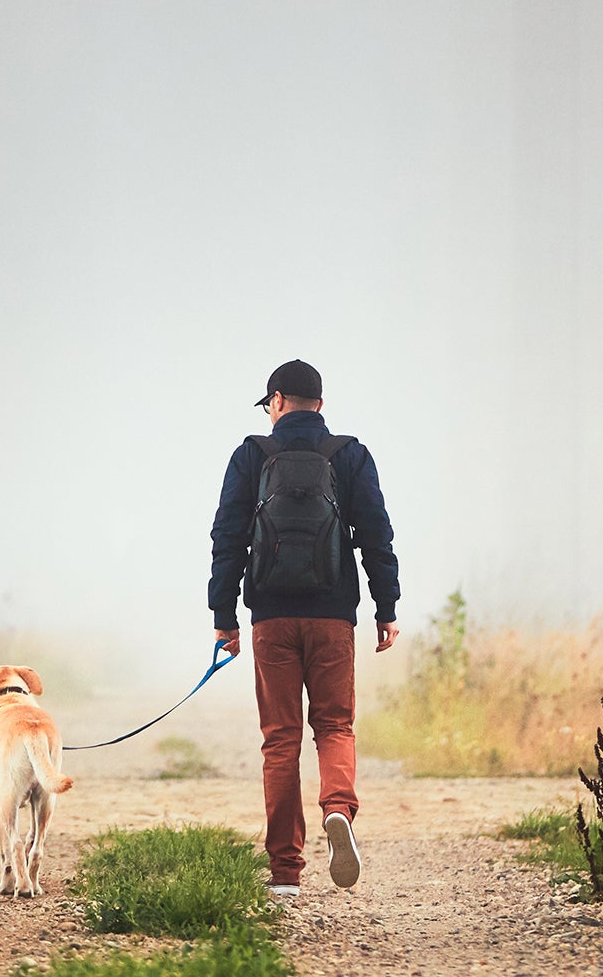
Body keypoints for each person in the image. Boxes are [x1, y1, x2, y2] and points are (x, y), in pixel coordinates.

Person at [208, 359, 401, 902]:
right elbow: (376, 534)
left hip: (270, 616)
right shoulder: (350, 455)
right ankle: (338, 808)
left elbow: (227, 537)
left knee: (280, 741)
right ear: (319, 402)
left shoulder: (251, 455)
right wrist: (387, 605)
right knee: (335, 725)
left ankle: (286, 872)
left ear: (275, 401)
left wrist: (224, 617)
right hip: (333, 613)